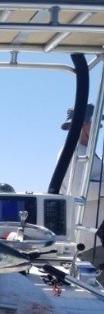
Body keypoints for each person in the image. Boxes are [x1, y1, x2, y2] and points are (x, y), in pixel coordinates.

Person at [60, 103, 104, 262]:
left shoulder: (88, 153)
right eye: (96, 124)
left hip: (97, 239)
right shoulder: (73, 153)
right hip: (88, 244)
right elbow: (78, 191)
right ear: (85, 124)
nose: (98, 128)